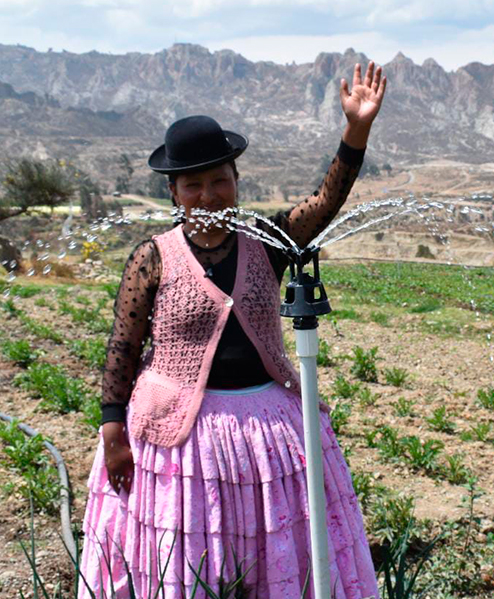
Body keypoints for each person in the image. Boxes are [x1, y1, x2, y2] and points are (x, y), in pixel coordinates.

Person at [79, 62, 388, 599]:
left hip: (267, 430)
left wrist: (355, 131)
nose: (208, 194)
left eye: (220, 180)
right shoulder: (152, 258)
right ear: (174, 193)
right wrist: (112, 430)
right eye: (192, 184)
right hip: (178, 440)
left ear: (237, 183)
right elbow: (124, 346)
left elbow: (325, 203)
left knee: (272, 548)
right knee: (192, 551)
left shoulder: (266, 244)